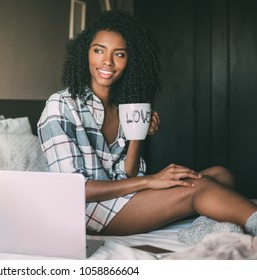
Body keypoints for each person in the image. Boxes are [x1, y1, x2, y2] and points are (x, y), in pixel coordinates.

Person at [37, 9, 257, 244]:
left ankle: (205, 226)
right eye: (99, 50)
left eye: (119, 54)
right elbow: (74, 189)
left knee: (221, 174)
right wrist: (149, 180)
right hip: (88, 212)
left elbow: (127, 174)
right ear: (85, 53)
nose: (107, 61)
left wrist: (138, 134)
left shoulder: (125, 107)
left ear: (131, 60)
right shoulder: (60, 105)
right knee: (199, 188)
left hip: (122, 196)